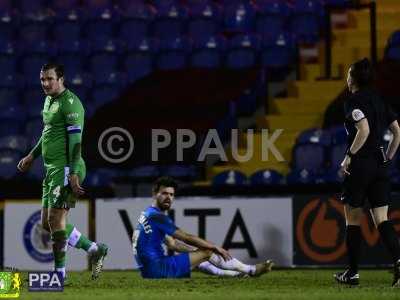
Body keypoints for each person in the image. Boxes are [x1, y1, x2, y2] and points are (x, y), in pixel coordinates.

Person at [17, 63, 108, 280]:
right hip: (51, 170)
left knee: (56, 221)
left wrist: (73, 173)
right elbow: (47, 133)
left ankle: (59, 275)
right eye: (42, 80)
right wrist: (31, 156)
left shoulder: (71, 104)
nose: (45, 83)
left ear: (61, 79)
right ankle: (95, 249)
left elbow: (76, 142)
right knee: (47, 224)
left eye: (49, 79)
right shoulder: (49, 100)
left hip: (67, 168)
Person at [335, 58, 400, 286]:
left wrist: (349, 157)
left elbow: (363, 130)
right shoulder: (380, 99)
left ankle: (352, 273)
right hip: (380, 165)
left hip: (360, 165)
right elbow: (397, 131)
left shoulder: (352, 101)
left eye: (348, 73)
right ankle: (399, 262)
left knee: (353, 220)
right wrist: (388, 157)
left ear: (352, 78)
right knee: (381, 219)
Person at [132, 176, 274, 279]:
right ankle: (251, 270)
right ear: (154, 194)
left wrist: (195, 251)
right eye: (164, 193)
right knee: (207, 252)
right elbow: (186, 237)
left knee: (199, 257)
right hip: (159, 269)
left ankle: (237, 274)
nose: (168, 197)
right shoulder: (158, 217)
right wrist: (213, 248)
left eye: (171, 194)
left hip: (148, 272)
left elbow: (172, 243)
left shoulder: (147, 214)